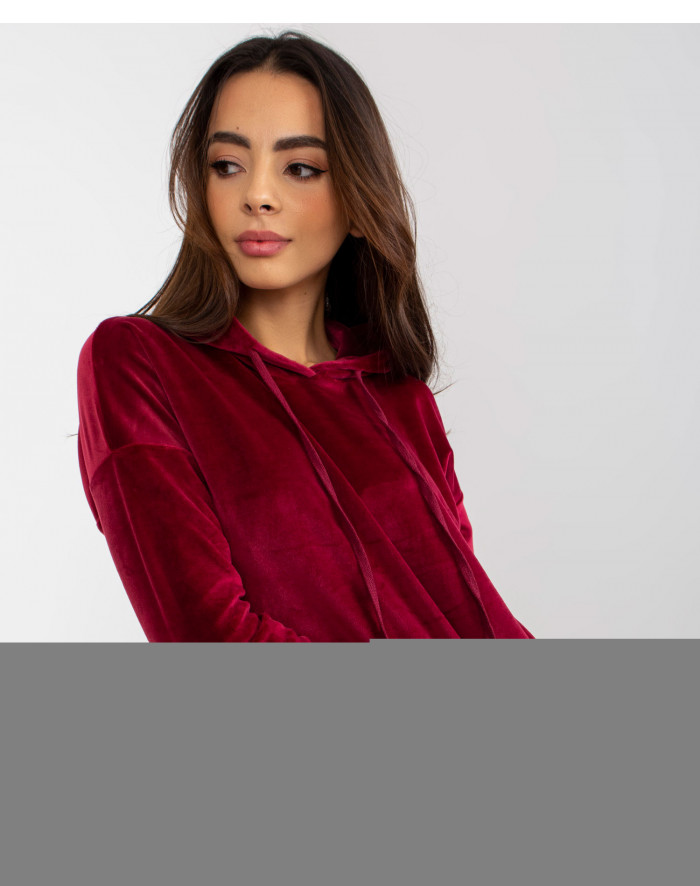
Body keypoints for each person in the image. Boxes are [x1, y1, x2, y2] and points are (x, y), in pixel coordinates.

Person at [77, 31, 534, 642]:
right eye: (227, 165)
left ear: (357, 198)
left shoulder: (402, 397)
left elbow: (469, 612)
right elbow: (207, 635)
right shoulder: (138, 363)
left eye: (300, 168)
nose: (257, 196)